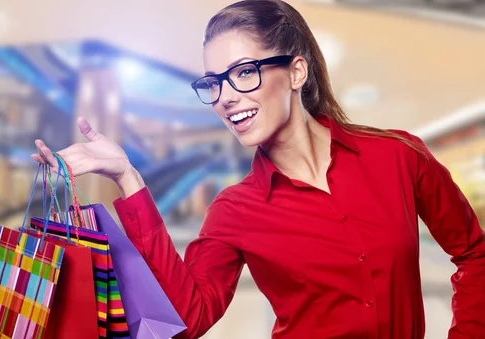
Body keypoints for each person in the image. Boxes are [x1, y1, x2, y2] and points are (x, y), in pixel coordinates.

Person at [31, 0, 485, 338]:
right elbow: (189, 319)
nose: (225, 96)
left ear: (296, 73)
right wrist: (129, 180)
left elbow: (474, 254)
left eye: (243, 72)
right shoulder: (234, 211)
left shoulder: (398, 156)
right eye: (213, 82)